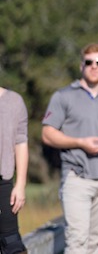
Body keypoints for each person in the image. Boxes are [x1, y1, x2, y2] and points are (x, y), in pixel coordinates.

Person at [42, 43, 98, 254]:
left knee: (97, 244)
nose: (94, 66)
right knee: (77, 241)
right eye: (89, 62)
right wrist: (80, 142)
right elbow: (47, 134)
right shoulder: (63, 96)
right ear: (81, 66)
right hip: (77, 178)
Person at [1, 86, 29, 254]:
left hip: (3, 182)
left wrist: (20, 185)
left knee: (11, 244)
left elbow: (21, 142)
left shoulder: (14, 101)